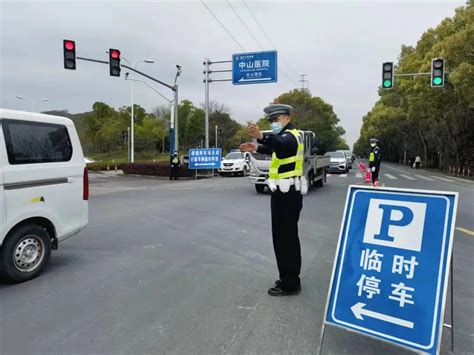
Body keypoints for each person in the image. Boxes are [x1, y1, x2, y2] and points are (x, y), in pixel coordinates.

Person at [240, 104, 305, 296]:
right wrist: (257, 146)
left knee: (285, 239)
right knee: (284, 237)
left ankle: (290, 283)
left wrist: (262, 136)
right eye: (271, 121)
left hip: (287, 194)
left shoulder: (292, 135)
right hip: (284, 193)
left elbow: (282, 144)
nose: (273, 124)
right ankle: (288, 278)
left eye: (275, 120)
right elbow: (278, 149)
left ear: (286, 117)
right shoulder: (286, 135)